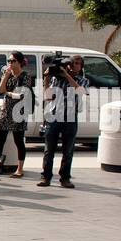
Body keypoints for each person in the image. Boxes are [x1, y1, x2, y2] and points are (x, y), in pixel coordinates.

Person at [38, 54, 89, 189]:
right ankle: (46, 177)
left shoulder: (82, 80)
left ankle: (65, 178)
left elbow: (80, 92)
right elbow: (48, 97)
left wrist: (67, 75)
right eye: (72, 63)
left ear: (81, 67)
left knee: (68, 150)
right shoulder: (56, 79)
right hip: (54, 116)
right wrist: (47, 79)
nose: (74, 65)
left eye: (77, 63)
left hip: (70, 117)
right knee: (49, 149)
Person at [0, 51, 35, 176]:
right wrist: (6, 76)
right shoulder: (8, 75)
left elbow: (21, 95)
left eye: (13, 61)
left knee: (18, 140)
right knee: (0, 139)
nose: (10, 63)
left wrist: (7, 93)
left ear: (19, 62)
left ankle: (20, 169)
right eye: (9, 61)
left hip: (19, 111)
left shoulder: (25, 76)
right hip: (6, 111)